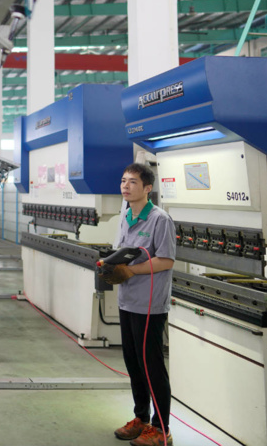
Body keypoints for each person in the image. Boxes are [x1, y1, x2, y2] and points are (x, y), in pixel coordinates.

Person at [102, 162, 176, 446]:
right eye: (123, 180)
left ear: (147, 188)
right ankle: (141, 418)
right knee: (133, 363)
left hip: (149, 304)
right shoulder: (125, 215)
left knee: (151, 365)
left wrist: (131, 270)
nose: (125, 186)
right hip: (127, 300)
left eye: (132, 182)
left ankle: (161, 428)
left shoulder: (160, 219)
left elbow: (166, 260)